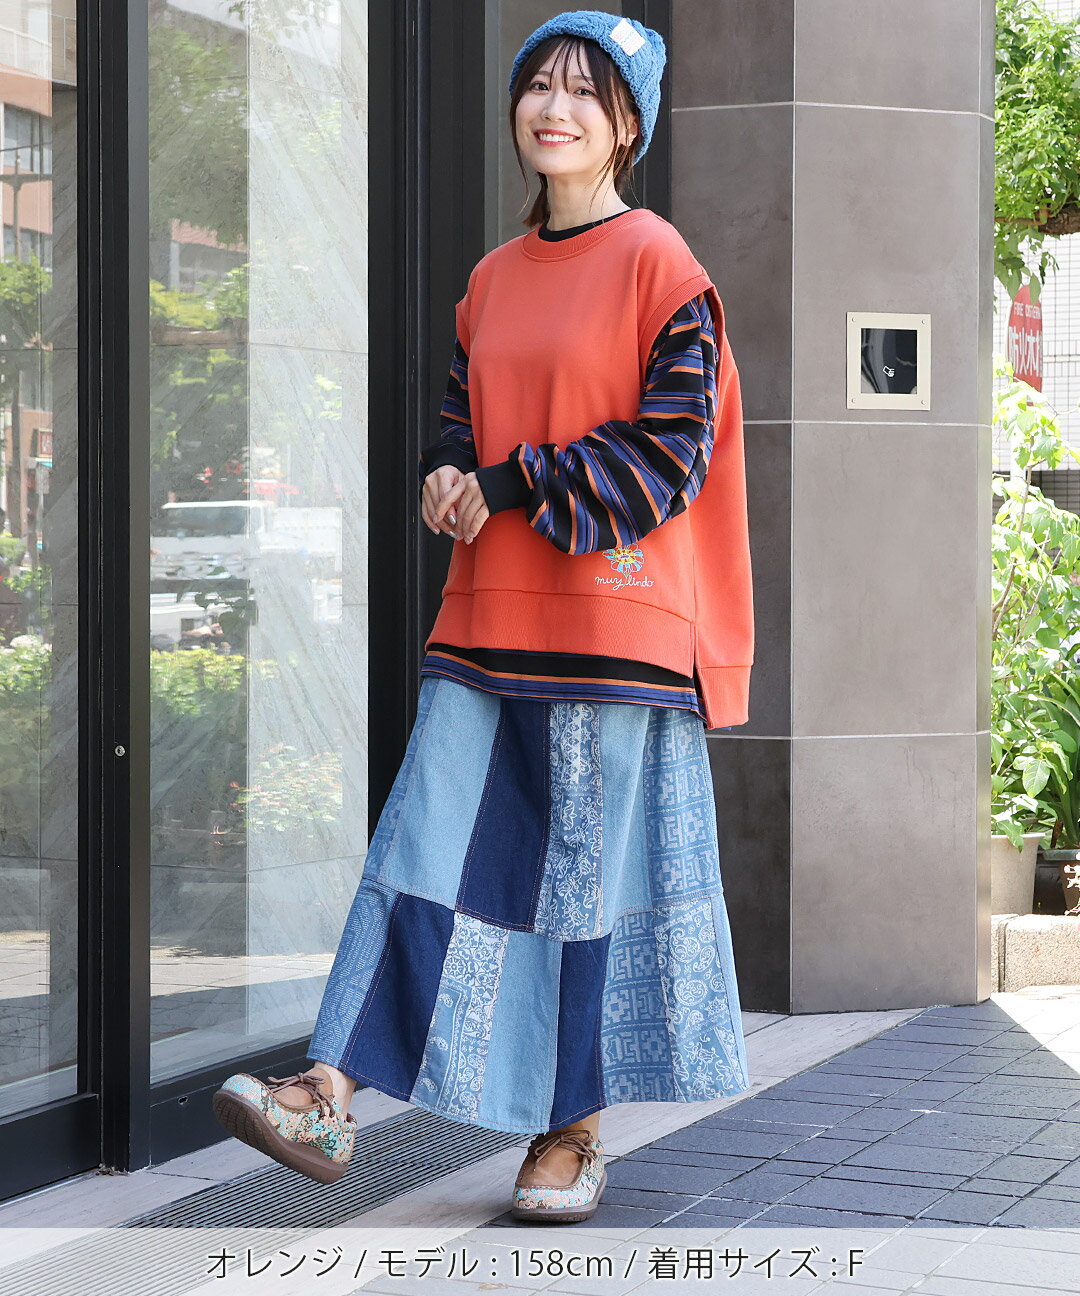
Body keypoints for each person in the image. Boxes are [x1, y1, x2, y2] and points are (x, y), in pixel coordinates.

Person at [212, 10, 755, 1225]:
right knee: (418, 855)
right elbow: (464, 424)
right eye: (537, 86)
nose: (553, 108)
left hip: (616, 634)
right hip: (486, 620)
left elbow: (668, 456)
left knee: (582, 890)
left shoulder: (664, 267)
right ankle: (327, 1091)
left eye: (584, 92)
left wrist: (508, 483)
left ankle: (571, 1135)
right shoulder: (491, 280)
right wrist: (448, 478)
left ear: (627, 125)